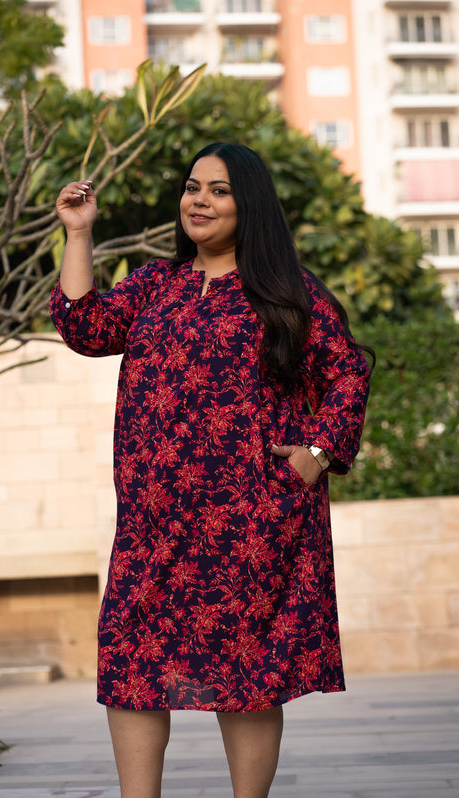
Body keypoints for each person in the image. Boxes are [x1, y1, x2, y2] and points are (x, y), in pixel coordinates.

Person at [50, 142, 372, 798]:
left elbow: (347, 370)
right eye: (192, 187)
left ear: (247, 204)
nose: (198, 200)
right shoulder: (153, 286)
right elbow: (83, 326)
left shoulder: (283, 291)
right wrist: (79, 233)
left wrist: (316, 453)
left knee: (247, 671)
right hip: (153, 521)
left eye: (218, 190)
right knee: (133, 664)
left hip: (250, 518)